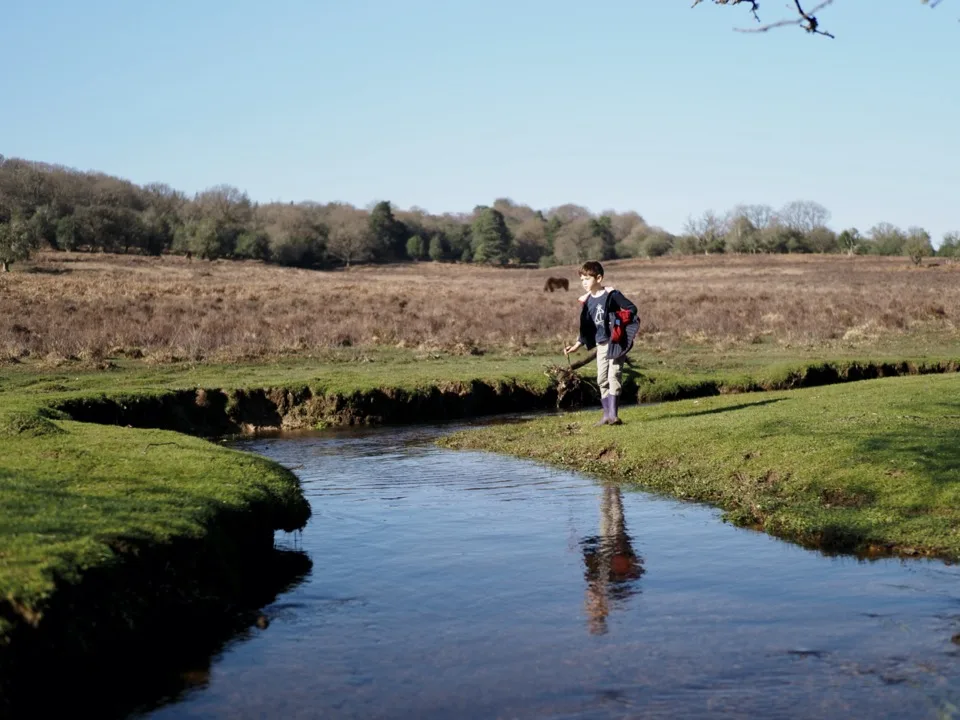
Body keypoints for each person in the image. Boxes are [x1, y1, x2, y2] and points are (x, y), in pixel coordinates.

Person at [563, 261, 640, 426]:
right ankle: (606, 416)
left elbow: (631, 309)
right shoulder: (587, 301)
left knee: (614, 376)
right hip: (601, 345)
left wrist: (618, 321)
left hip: (616, 342)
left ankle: (614, 415)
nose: (583, 282)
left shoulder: (612, 295)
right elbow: (586, 328)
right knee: (601, 379)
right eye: (581, 279)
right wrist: (576, 345)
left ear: (599, 278)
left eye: (587, 278)